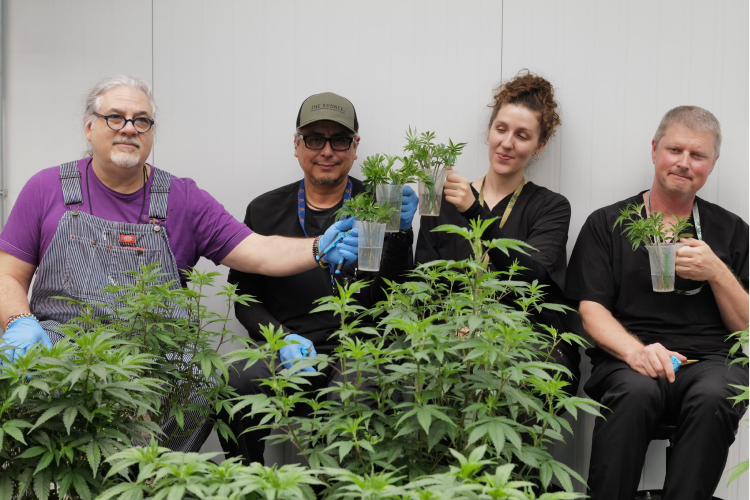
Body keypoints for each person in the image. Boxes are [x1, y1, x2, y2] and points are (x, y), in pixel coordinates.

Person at [0, 76, 359, 453]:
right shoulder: (46, 188)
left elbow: (257, 250)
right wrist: (18, 322)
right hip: (66, 354)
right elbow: (7, 274)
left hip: (159, 365)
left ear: (151, 133)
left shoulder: (182, 199)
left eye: (142, 120)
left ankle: (156, 482)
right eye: (115, 118)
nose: (129, 129)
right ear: (89, 127)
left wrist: (318, 246)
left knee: (201, 385)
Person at [219, 91, 417, 465]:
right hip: (288, 348)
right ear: (296, 145)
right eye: (314, 138)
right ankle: (247, 484)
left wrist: (401, 233)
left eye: (339, 139)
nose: (327, 150)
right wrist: (279, 338)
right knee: (234, 384)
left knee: (353, 401)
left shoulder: (380, 202)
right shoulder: (264, 210)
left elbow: (397, 294)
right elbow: (246, 298)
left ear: (355, 147)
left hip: (361, 352)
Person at [566, 106, 750, 500]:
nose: (684, 163)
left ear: (712, 164)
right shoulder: (607, 223)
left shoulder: (731, 230)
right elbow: (591, 310)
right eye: (674, 150)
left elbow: (745, 327)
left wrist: (717, 271)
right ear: (654, 150)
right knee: (635, 394)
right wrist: (636, 351)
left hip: (710, 362)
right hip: (629, 359)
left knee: (718, 395)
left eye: (697, 155)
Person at [416, 70, 581, 396]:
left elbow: (533, 276)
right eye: (501, 129)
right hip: (456, 339)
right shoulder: (444, 199)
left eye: (522, 135)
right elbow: (424, 283)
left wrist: (473, 211)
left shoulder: (551, 207)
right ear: (489, 131)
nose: (507, 143)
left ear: (539, 145)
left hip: (528, 345)